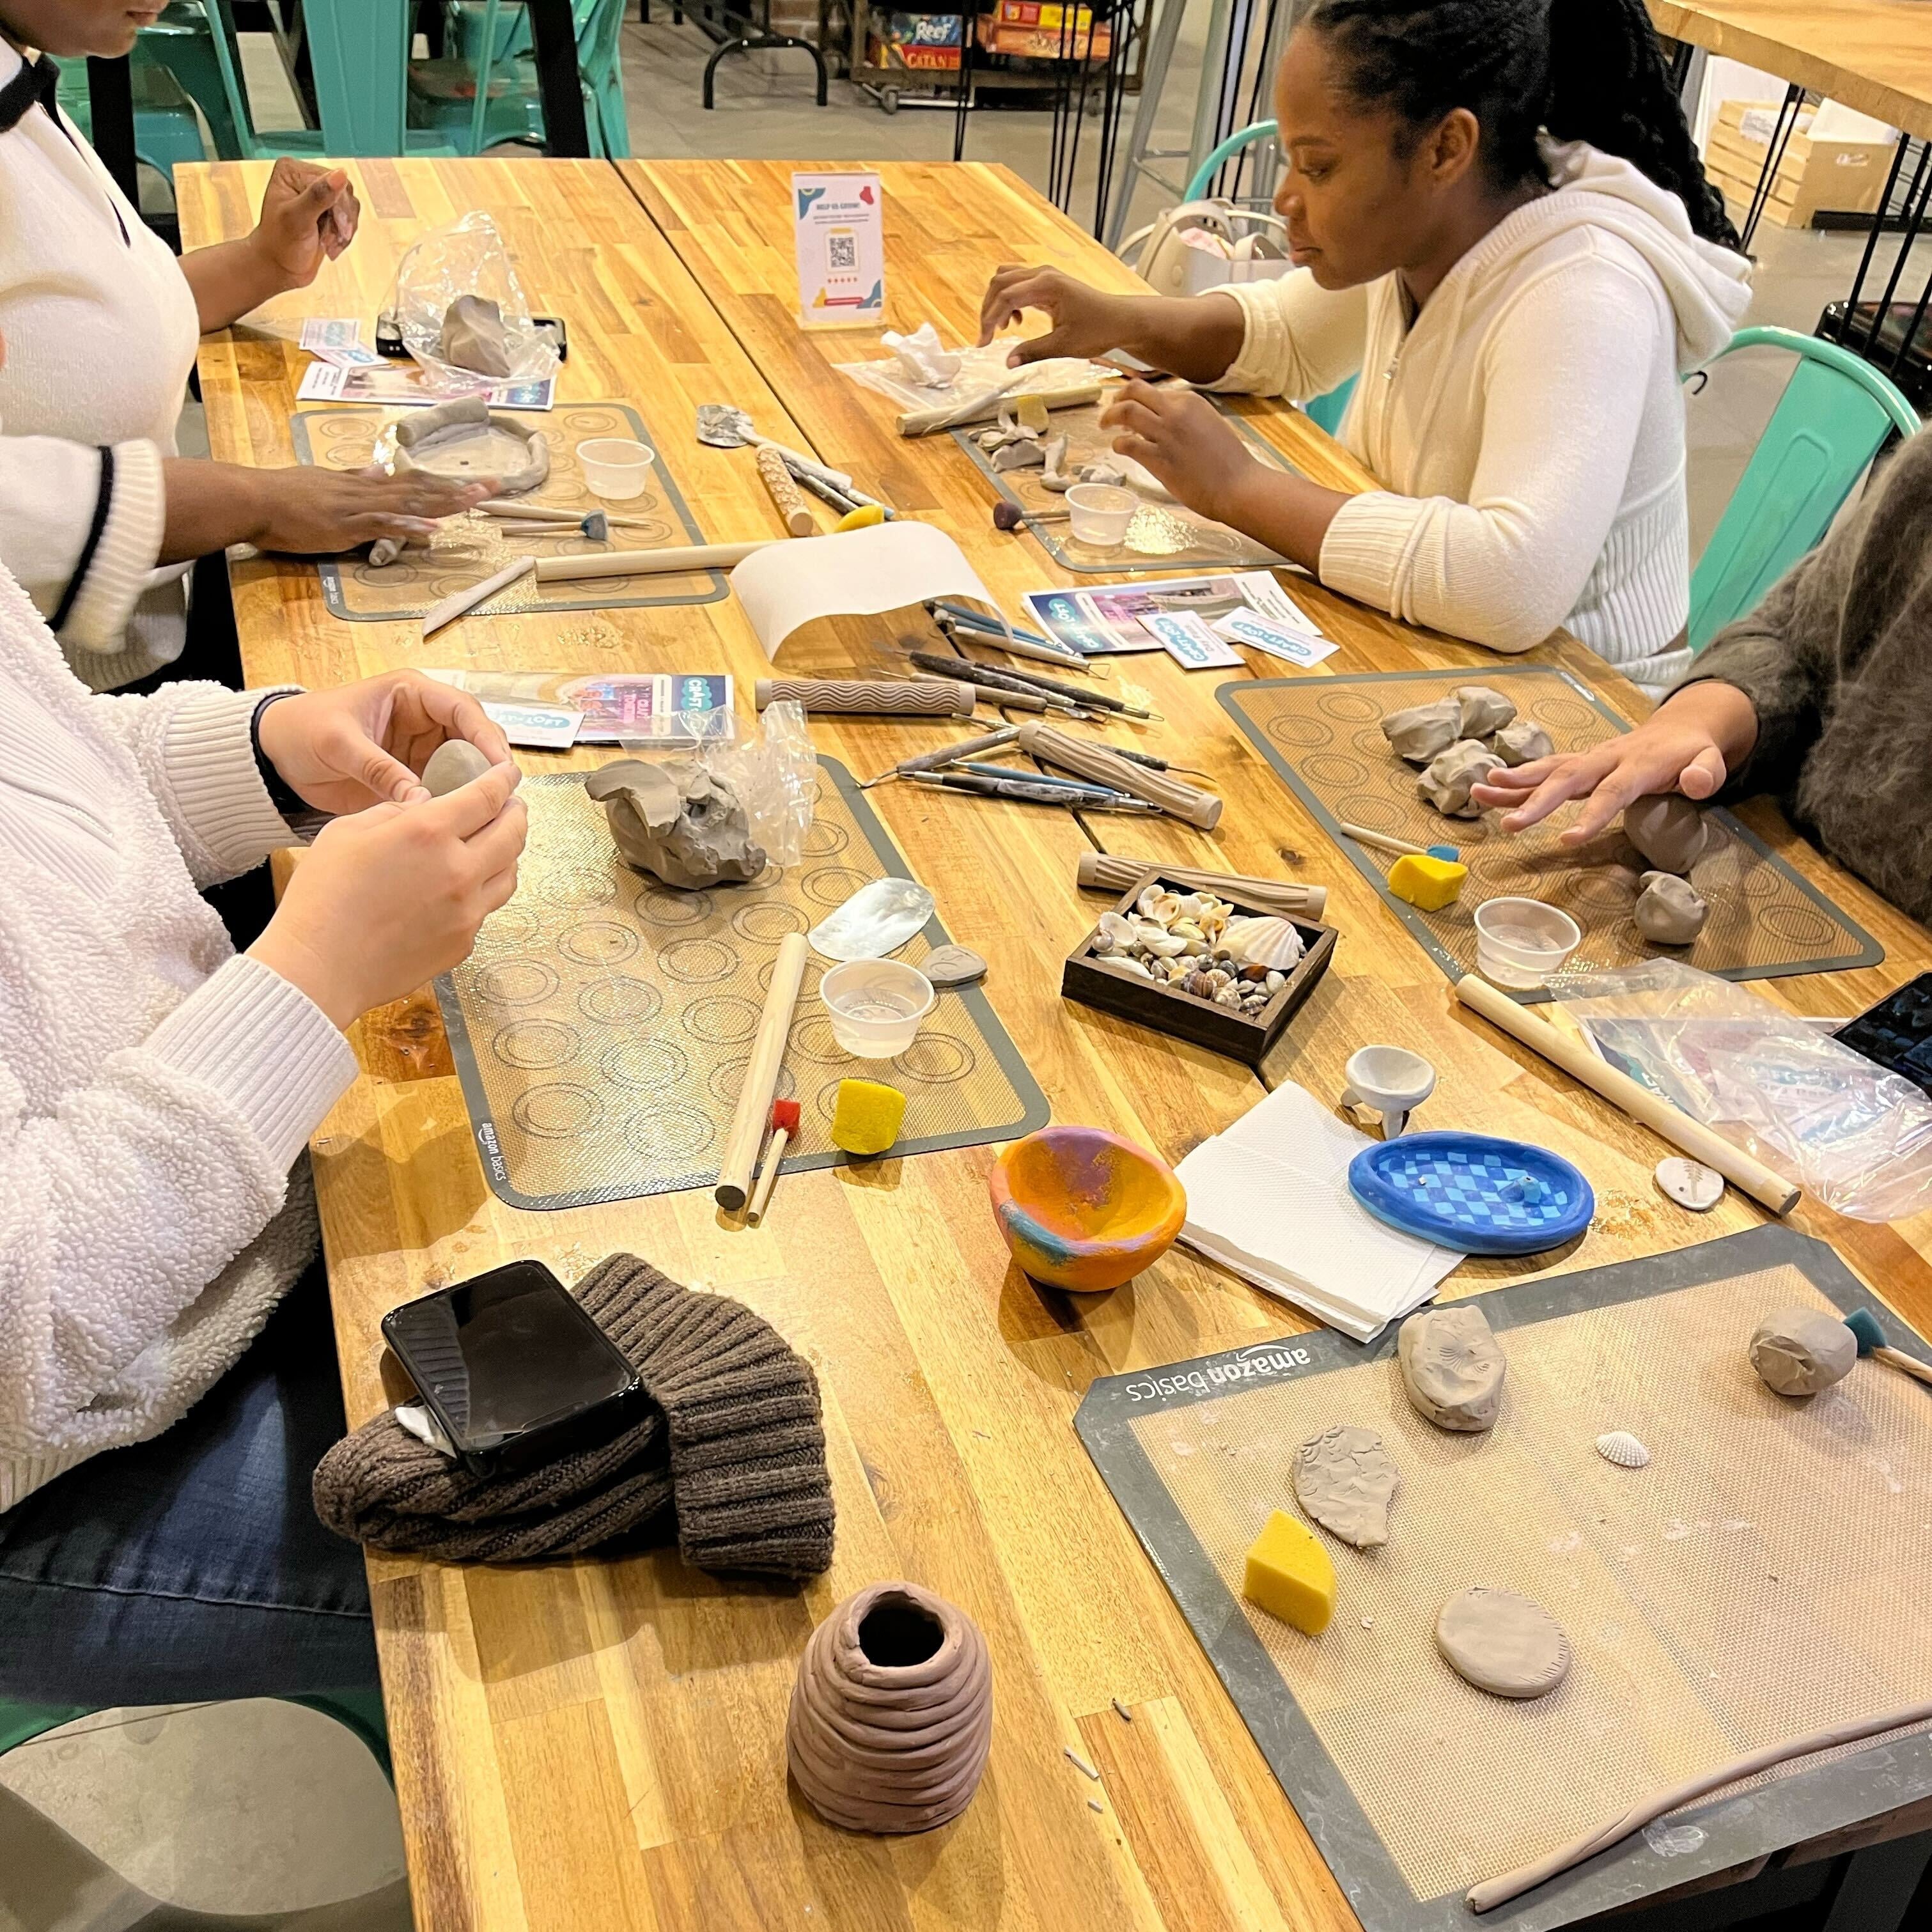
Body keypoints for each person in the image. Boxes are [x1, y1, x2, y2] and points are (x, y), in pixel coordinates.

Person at [0, 555, 527, 1705]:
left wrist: (266, 756)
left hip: (214, 1231)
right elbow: (19, 1328)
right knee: (548, 1588)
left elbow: (55, 782)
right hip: (74, 1440)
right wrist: (317, 970)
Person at [977, 0, 1752, 697]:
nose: (1286, 196)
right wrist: (1118, 318)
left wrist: (1235, 488)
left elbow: (1509, 581)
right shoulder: (1432, 232)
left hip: (1578, 710)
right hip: (1440, 658)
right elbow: (1282, 335)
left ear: (1446, 148)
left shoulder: (1584, 288)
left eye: (1318, 167)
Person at [0, 5, 494, 691]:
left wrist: (264, 262)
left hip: (130, 639)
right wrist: (252, 501)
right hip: (50, 702)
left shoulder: (17, 71)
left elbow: (75, 327)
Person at [1474, 429, 1932, 925]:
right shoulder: (1924, 477)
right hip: (1799, 869)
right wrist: (1701, 722)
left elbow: (1508, 581)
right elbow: (1796, 642)